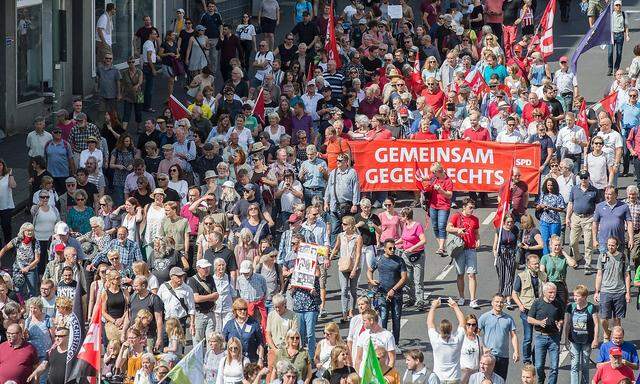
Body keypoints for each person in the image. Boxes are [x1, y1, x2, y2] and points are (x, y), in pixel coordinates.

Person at [367, 238, 407, 345]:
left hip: (397, 295)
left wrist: (394, 289)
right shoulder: (378, 259)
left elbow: (404, 278)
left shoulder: (399, 260)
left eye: (394, 248)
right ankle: (382, 342)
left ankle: (395, 343)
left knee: (396, 318)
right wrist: (371, 280)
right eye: (390, 248)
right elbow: (369, 270)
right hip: (382, 293)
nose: (393, 250)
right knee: (383, 317)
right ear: (384, 249)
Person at [512, 254, 547, 365]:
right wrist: (520, 305)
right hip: (526, 311)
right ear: (528, 265)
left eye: (538, 263)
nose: (537, 265)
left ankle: (535, 357)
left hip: (539, 310)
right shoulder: (521, 276)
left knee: (539, 337)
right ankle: (527, 359)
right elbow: (514, 294)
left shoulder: (543, 275)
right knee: (528, 337)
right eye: (534, 264)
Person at [594, 236, 631, 341]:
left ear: (617, 246)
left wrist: (627, 292)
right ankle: (607, 333)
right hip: (606, 291)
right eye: (609, 245)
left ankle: (615, 338)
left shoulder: (623, 257)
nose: (610, 247)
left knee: (617, 319)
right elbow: (599, 274)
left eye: (612, 245)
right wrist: (597, 291)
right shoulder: (602, 257)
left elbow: (627, 275)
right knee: (603, 319)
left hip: (619, 291)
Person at [447, 197, 480, 308]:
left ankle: (472, 299)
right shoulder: (456, 216)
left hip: (471, 249)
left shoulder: (475, 219)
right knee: (460, 274)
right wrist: (458, 230)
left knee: (471, 274)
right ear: (464, 207)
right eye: (470, 208)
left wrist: (478, 239)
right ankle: (461, 297)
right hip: (460, 249)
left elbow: (476, 232)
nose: (472, 210)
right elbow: (448, 228)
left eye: (473, 208)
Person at [527, 282, 563, 384]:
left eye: (554, 292)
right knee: (538, 366)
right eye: (550, 292)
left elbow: (561, 318)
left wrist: (560, 324)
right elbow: (529, 319)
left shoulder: (558, 303)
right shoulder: (537, 303)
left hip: (554, 338)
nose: (553, 295)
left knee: (554, 367)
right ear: (544, 292)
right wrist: (539, 322)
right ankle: (541, 379)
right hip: (540, 337)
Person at [477, 294, 519, 381]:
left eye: (501, 302)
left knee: (501, 381)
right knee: (486, 380)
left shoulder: (509, 319)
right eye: (496, 302)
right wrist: (483, 347)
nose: (499, 304)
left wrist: (516, 351)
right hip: (488, 356)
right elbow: (476, 334)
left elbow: (513, 335)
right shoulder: (484, 317)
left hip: (503, 356)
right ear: (492, 303)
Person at [564, 284, 599, 384]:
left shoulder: (591, 307)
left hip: (587, 341)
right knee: (574, 365)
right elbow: (567, 323)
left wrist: (595, 339)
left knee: (585, 366)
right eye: (574, 295)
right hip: (574, 340)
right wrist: (566, 339)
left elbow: (596, 324)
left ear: (584, 297)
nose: (575, 298)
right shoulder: (571, 307)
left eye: (578, 296)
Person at [331, 215, 362, 323]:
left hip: (355, 266)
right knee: (344, 289)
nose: (342, 226)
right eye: (342, 223)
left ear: (350, 225)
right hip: (343, 266)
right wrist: (330, 258)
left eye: (345, 224)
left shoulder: (357, 237)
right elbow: (336, 248)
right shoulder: (341, 236)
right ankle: (344, 313)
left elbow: (358, 254)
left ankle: (351, 311)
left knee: (353, 291)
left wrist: (354, 269)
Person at [427, 297, 466, 383]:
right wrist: (455, 306)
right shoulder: (457, 340)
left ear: (440, 329)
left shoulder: (436, 340)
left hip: (438, 377)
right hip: (454, 378)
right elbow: (463, 323)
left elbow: (430, 323)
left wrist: (433, 307)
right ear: (451, 328)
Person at [567, 170, 598, 275]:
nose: (583, 180)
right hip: (576, 217)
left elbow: (597, 206)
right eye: (582, 178)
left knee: (588, 242)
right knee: (572, 241)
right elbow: (570, 203)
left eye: (585, 177)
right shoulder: (574, 189)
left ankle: (588, 264)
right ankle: (578, 257)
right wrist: (568, 217)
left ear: (589, 178)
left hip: (589, 218)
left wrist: (597, 220)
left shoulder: (594, 191)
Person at [222, 298, 265, 364]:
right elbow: (223, 342)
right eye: (240, 309)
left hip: (251, 361)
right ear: (235, 310)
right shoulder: (229, 324)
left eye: (245, 309)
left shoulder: (254, 323)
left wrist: (260, 359)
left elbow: (260, 343)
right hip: (234, 361)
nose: (243, 311)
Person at [188, 258, 219, 346]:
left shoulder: (210, 278)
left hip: (210, 313)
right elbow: (196, 299)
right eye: (204, 268)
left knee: (211, 341)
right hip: (199, 314)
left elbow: (216, 296)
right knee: (198, 342)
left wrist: (205, 298)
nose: (207, 270)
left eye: (208, 267)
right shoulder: (192, 280)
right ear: (198, 269)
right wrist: (210, 297)